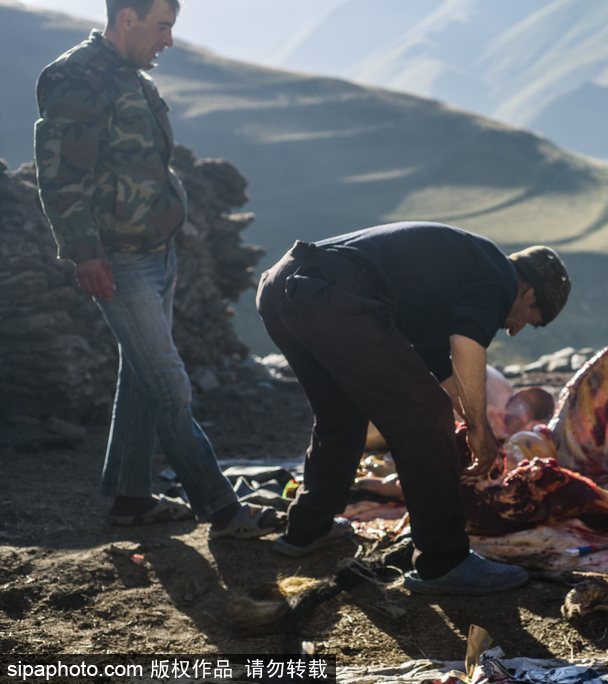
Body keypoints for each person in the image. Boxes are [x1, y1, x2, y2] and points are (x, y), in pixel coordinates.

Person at [33, 0, 279, 538]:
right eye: (161, 26)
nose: (168, 40)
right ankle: (223, 509)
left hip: (155, 251)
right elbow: (59, 175)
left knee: (142, 377)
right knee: (170, 385)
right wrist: (84, 252)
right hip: (117, 259)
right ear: (127, 19)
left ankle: (130, 499)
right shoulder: (77, 76)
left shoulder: (130, 75)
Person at [255, 222, 571, 595]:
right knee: (424, 417)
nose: (515, 331)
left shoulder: (453, 283)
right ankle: (445, 561)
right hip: (332, 293)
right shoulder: (498, 274)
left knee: (340, 414)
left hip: (283, 288)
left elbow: (441, 369)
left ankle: (309, 527)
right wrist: (478, 432)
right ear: (529, 291)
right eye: (533, 321)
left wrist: (478, 424)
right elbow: (466, 344)